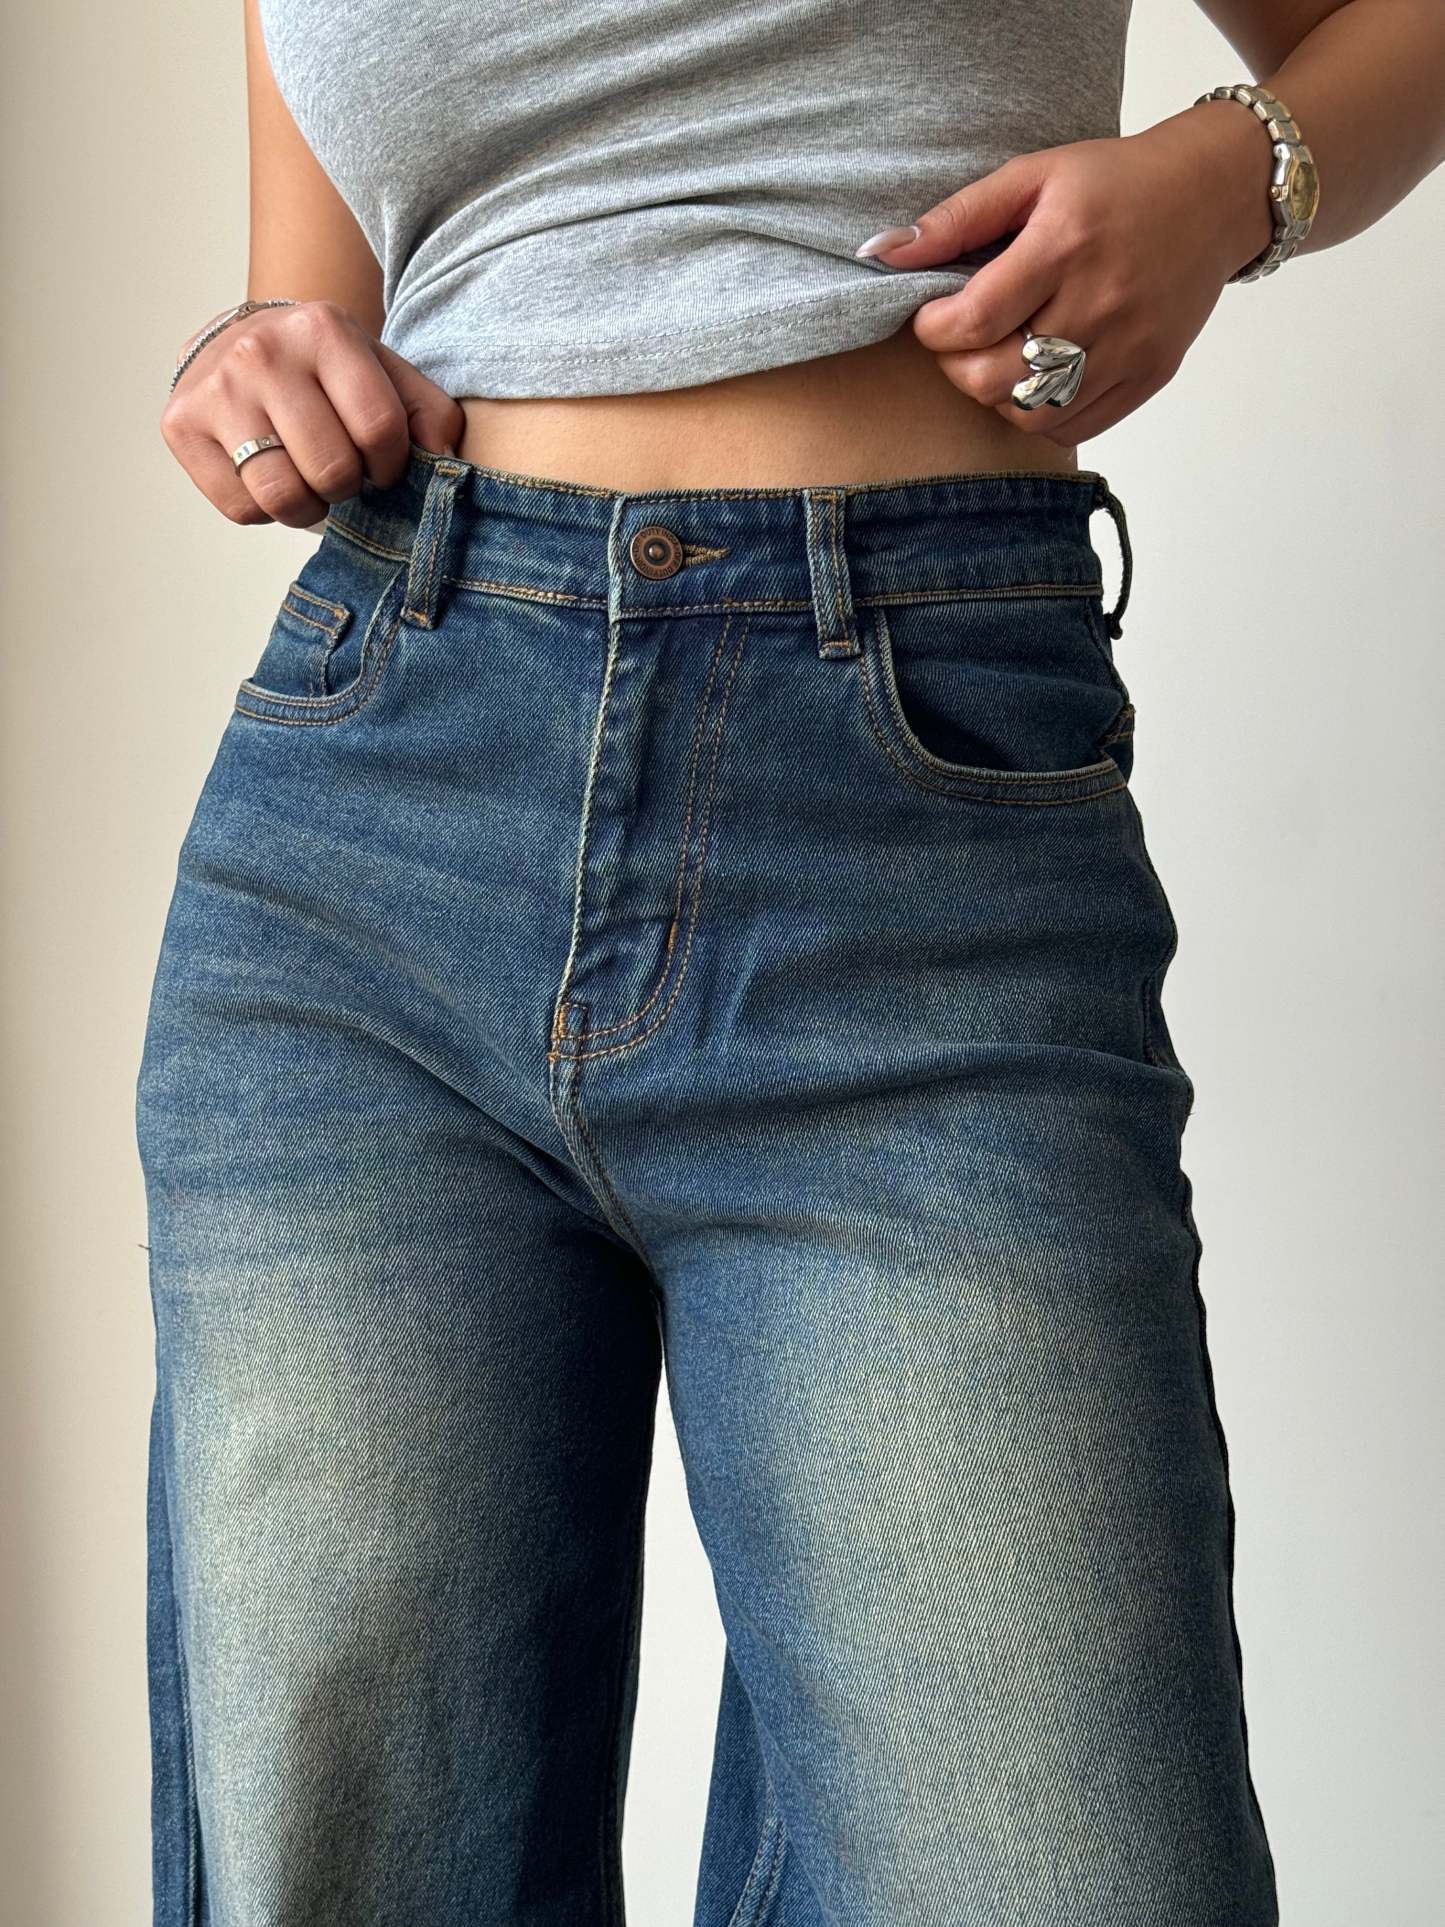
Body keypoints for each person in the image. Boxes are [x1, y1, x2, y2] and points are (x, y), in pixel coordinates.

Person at [136, 1, 1444, 1922]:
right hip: (373, 816)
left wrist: (1223, 176)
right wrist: (246, 364)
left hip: (913, 796)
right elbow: (321, 305)